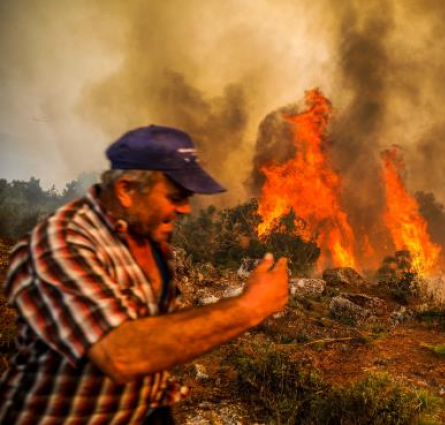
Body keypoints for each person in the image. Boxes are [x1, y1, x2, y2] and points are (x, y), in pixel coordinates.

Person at [0, 125, 289, 424]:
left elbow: (155, 332)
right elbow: (121, 355)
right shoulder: (61, 243)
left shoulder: (151, 241)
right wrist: (250, 306)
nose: (186, 209)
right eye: (176, 196)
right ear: (126, 190)